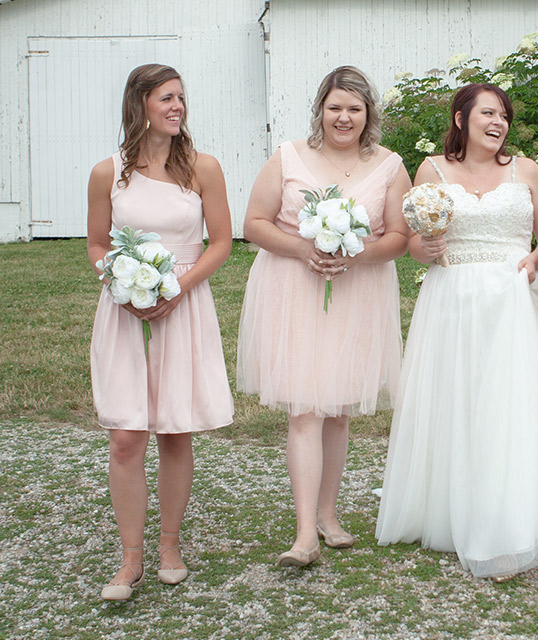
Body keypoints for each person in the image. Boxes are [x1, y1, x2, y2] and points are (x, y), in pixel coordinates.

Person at [376, 83, 538, 580]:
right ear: (461, 118)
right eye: (488, 112)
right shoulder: (433, 171)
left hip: (511, 296)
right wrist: (428, 248)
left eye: (504, 114)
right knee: (456, 397)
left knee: (506, 401)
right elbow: (416, 245)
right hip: (453, 297)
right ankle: (447, 507)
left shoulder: (526, 170)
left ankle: (507, 511)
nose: (498, 122)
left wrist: (534, 257)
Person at [237, 66, 410, 567]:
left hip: (357, 292)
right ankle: (302, 535)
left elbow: (398, 237)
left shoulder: (390, 165)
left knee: (338, 411)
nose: (344, 117)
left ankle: (328, 515)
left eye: (354, 108)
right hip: (294, 289)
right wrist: (302, 248)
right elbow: (254, 223)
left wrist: (353, 254)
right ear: (320, 110)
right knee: (305, 410)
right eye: (335, 106)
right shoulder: (288, 156)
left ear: (368, 114)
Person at [87, 64, 234, 600]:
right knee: (127, 437)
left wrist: (176, 288)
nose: (177, 107)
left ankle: (169, 544)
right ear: (140, 104)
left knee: (174, 429)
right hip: (126, 314)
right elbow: (97, 245)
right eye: (167, 98)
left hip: (183, 305)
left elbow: (221, 241)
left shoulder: (203, 168)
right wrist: (122, 285)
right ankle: (130, 558)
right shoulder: (109, 173)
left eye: (181, 98)